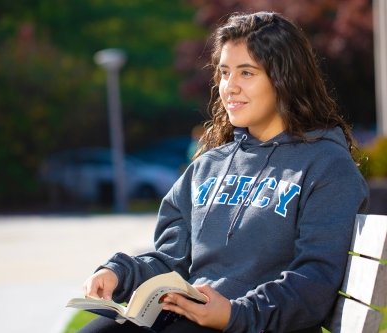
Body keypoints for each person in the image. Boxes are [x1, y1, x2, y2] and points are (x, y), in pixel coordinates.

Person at [79, 11, 369, 333]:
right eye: (225, 72)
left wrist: (233, 314)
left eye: (246, 73)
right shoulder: (208, 166)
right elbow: (171, 259)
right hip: (191, 318)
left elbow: (314, 280)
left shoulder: (326, 166)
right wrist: (120, 272)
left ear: (285, 78)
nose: (229, 87)